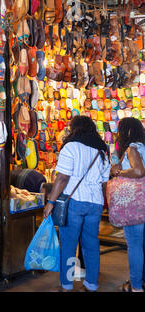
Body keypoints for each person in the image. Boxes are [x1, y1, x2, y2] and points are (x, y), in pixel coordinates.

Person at [43, 116, 110, 292]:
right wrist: (102, 203)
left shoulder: (70, 147)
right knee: (92, 245)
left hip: (74, 202)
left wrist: (50, 202)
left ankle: (66, 286)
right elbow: (104, 183)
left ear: (74, 129)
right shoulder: (101, 152)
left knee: (69, 245)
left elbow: (63, 178)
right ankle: (91, 285)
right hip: (95, 203)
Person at [109, 117, 145, 292]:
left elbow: (138, 171)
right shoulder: (143, 148)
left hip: (135, 204)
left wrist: (119, 171)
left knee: (135, 245)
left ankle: (136, 286)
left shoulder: (132, 148)